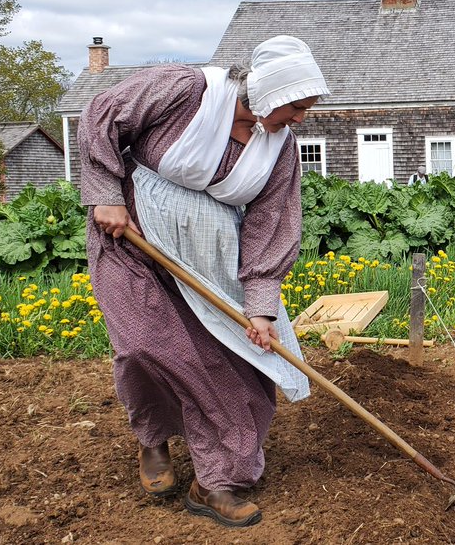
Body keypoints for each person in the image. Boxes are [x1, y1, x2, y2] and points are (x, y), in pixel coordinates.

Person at [78, 35, 329, 528]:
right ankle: (154, 439)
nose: (301, 118)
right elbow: (103, 115)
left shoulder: (281, 149)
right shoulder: (185, 89)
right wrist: (106, 191)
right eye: (297, 106)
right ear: (270, 93)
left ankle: (217, 480)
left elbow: (271, 223)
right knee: (145, 347)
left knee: (235, 362)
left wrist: (259, 305)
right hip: (131, 240)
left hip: (211, 263)